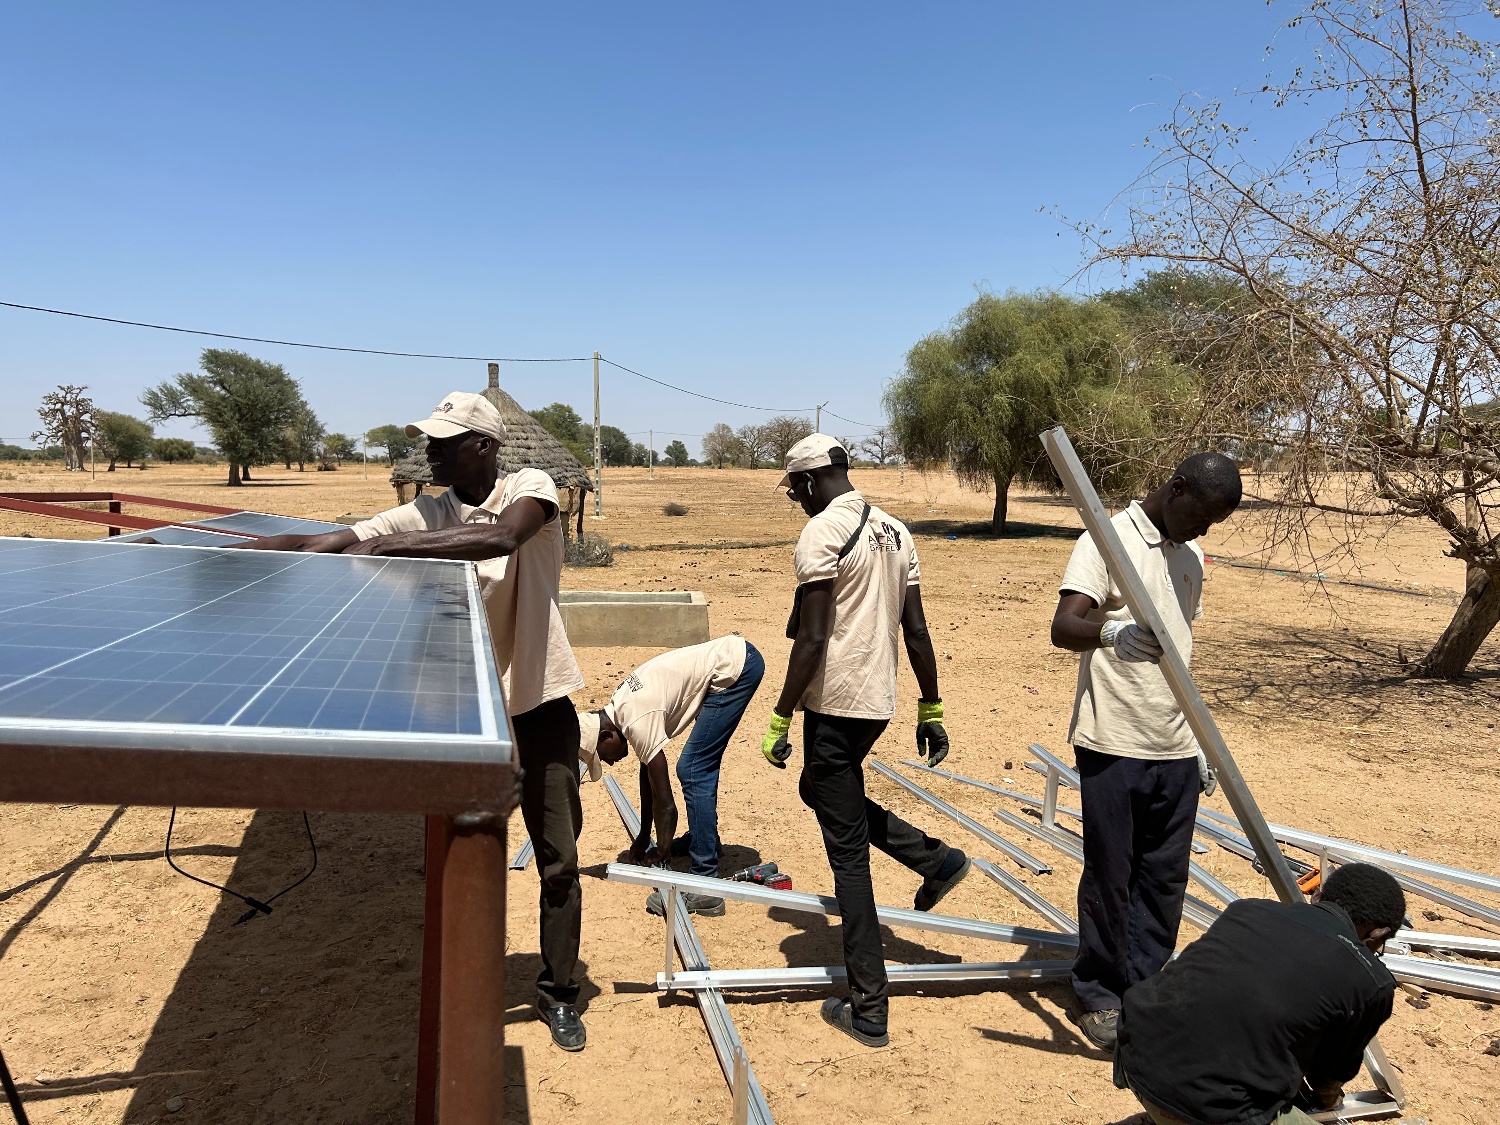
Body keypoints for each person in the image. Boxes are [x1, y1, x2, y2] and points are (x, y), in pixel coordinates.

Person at [224, 391, 591, 1053]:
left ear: (483, 445)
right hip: (463, 708)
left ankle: (559, 990)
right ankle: (464, 983)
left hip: (538, 704)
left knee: (558, 859)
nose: (430, 451)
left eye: (443, 440)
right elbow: (339, 538)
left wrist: (402, 547)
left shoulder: (529, 487)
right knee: (460, 858)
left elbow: (502, 537)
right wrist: (255, 550)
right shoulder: (429, 508)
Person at [759, 433, 966, 1049]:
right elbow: (918, 628)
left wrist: (780, 715)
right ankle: (935, 859)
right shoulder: (898, 532)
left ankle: (869, 1007)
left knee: (845, 854)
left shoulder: (821, 533)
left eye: (795, 489)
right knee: (820, 788)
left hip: (835, 704)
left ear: (809, 481)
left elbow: (813, 639)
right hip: (876, 703)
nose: (795, 500)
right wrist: (931, 706)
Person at [1049, 451, 1244, 1051]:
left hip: (1176, 746)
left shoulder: (1190, 559)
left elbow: (1181, 653)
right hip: (1116, 740)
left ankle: (1145, 987)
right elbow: (1063, 627)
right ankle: (1100, 991)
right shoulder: (1105, 541)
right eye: (1204, 515)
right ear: (1177, 488)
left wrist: (1201, 743)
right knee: (1111, 876)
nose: (1206, 529)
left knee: (1164, 879)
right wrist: (1111, 631)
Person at [1116, 863, 1404, 1125]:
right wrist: (1329, 1100)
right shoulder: (1371, 981)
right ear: (1377, 933)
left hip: (1134, 1055)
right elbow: (1328, 1076)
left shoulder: (1249, 910)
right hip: (1207, 1106)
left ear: (1318, 895)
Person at [579, 634, 765, 917]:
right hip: (732, 660)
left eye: (603, 756)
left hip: (735, 670)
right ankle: (705, 842)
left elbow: (666, 803)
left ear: (607, 735)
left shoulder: (636, 719)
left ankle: (705, 882)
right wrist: (644, 835)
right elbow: (650, 778)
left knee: (693, 768)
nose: (611, 763)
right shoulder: (619, 708)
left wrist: (662, 849)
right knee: (695, 765)